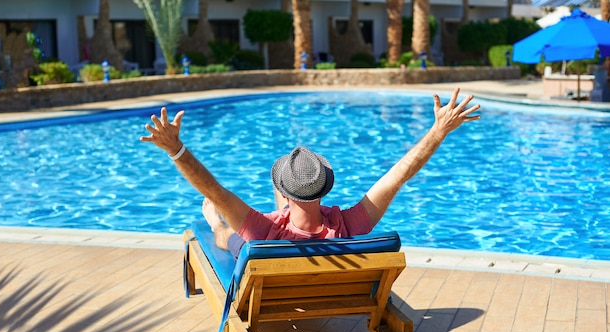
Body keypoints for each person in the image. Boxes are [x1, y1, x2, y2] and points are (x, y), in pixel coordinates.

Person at [140, 88, 481, 257]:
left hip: (267, 253)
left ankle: (217, 223)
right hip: (333, 282)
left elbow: (213, 191)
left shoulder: (262, 233)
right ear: (325, 189)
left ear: (285, 194)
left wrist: (175, 149)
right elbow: (399, 175)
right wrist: (437, 131)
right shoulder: (352, 225)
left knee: (225, 235)